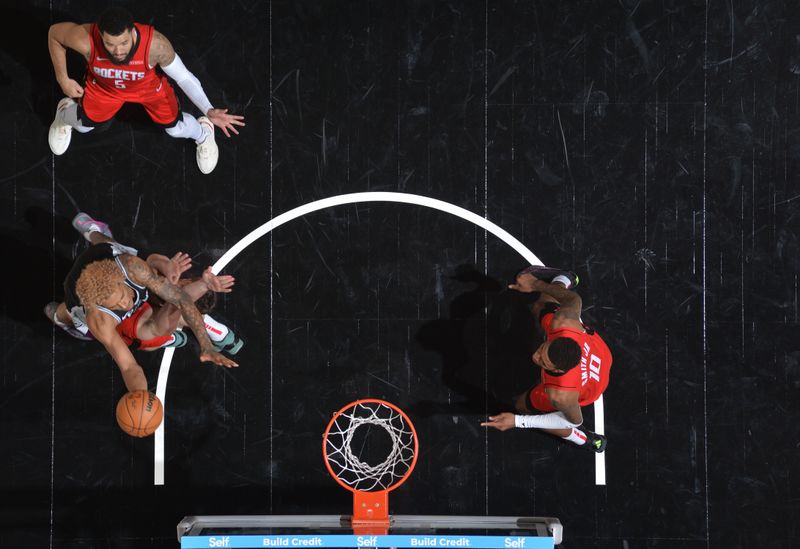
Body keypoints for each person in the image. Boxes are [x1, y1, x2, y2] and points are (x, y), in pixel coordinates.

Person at [44, 212, 240, 392]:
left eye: (121, 297)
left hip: (106, 255)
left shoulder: (133, 268)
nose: (124, 306)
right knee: (69, 313)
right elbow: (129, 366)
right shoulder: (99, 320)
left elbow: (182, 299)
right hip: (77, 295)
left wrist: (206, 345)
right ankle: (60, 318)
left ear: (121, 279)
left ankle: (93, 232)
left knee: (106, 243)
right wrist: (141, 395)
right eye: (115, 305)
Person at [47, 6, 245, 174]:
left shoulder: (156, 46)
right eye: (110, 44)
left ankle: (204, 133)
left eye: (124, 42)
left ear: (133, 32)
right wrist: (62, 79)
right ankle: (63, 114)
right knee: (84, 125)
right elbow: (55, 35)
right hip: (106, 89)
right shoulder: (84, 38)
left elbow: (184, 77)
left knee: (176, 129)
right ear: (100, 35)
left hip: (148, 89)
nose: (118, 51)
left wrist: (208, 110)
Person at [481, 266, 612, 453]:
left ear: (557, 371)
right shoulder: (563, 324)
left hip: (592, 385)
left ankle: (584, 439)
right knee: (541, 307)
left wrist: (519, 421)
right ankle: (564, 278)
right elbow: (573, 299)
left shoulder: (561, 394)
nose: (535, 356)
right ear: (556, 339)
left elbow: (573, 420)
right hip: (601, 351)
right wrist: (535, 284)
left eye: (543, 362)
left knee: (522, 406)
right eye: (542, 349)